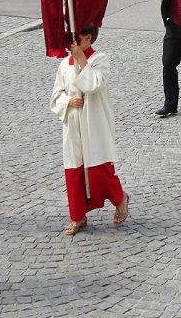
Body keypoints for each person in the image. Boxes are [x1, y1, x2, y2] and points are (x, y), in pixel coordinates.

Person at [49, 24, 130, 236]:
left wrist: (81, 60)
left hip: (94, 123)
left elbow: (93, 84)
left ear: (88, 39)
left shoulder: (100, 60)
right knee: (74, 170)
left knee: (99, 171)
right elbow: (55, 96)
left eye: (76, 39)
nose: (72, 44)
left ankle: (120, 198)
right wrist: (68, 101)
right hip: (73, 122)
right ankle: (78, 216)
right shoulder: (64, 65)